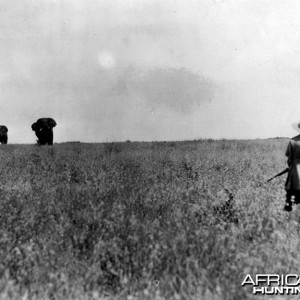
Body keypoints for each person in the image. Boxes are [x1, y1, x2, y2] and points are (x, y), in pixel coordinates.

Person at [284, 126, 300, 211]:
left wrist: (291, 165)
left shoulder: (293, 140)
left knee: (291, 193)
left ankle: (288, 209)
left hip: (294, 170)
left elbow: (289, 156)